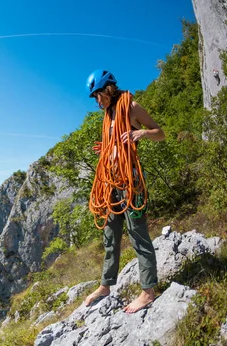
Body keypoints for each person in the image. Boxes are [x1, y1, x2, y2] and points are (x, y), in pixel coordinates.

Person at [83, 70, 165, 313]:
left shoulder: (131, 106)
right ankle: (106, 285)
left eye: (99, 95)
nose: (98, 101)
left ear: (109, 88)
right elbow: (115, 142)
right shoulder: (108, 115)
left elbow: (160, 133)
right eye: (95, 97)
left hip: (130, 181)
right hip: (111, 181)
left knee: (137, 233)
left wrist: (142, 133)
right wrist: (105, 148)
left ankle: (148, 292)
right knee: (110, 234)